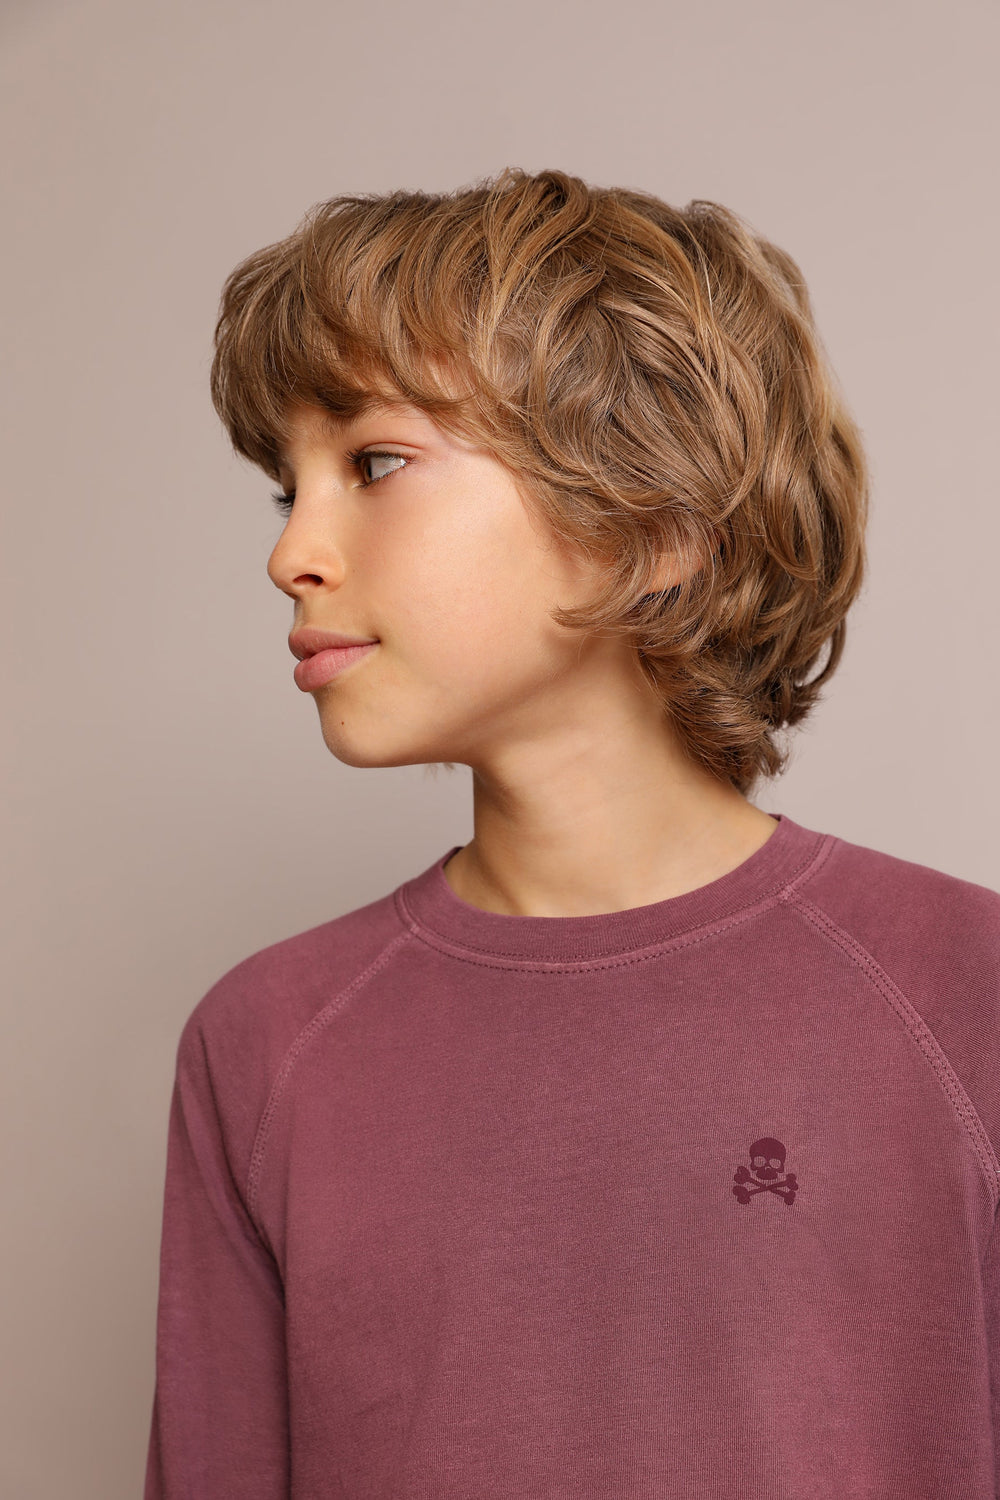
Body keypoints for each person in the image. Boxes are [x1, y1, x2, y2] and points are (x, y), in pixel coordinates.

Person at [144, 167, 1000, 1498]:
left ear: (652, 523)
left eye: (374, 463)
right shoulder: (263, 1046)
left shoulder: (964, 994)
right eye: (286, 489)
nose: (292, 553)